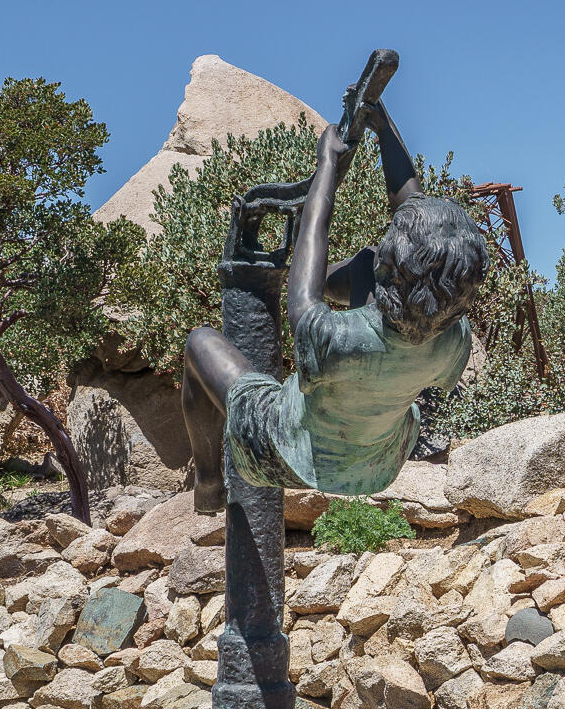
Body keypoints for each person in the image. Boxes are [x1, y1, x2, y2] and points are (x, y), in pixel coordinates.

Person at [179, 98, 486, 513]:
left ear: (393, 270)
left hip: (282, 452)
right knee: (362, 264)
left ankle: (208, 483)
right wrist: (383, 127)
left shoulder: (334, 338)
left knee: (199, 342)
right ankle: (361, 269)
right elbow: (414, 209)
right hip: (378, 462)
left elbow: (312, 237)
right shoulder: (454, 338)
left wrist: (327, 166)